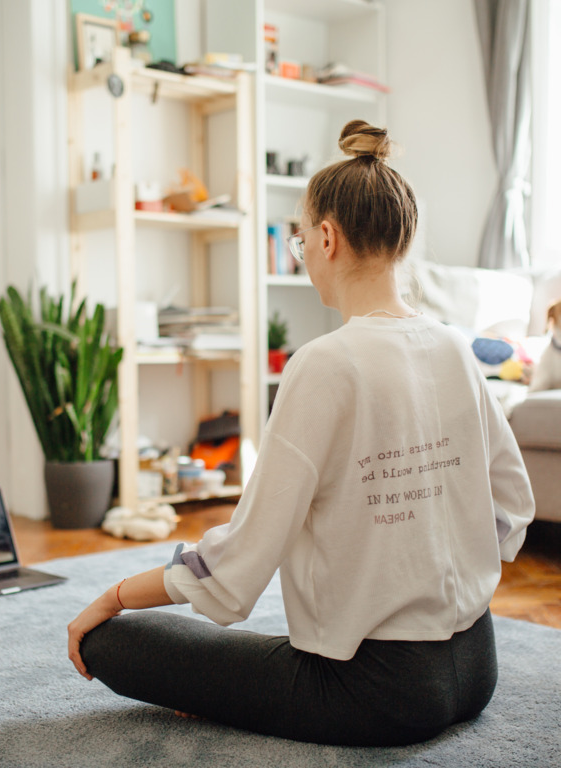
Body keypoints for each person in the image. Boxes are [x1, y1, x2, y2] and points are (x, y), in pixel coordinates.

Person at [67, 120, 535, 746]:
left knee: (110, 643)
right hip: (478, 668)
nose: (306, 258)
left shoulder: (323, 364)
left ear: (326, 236)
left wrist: (116, 596)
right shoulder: (454, 345)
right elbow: (512, 506)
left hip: (374, 694)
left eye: (300, 245)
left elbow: (234, 574)